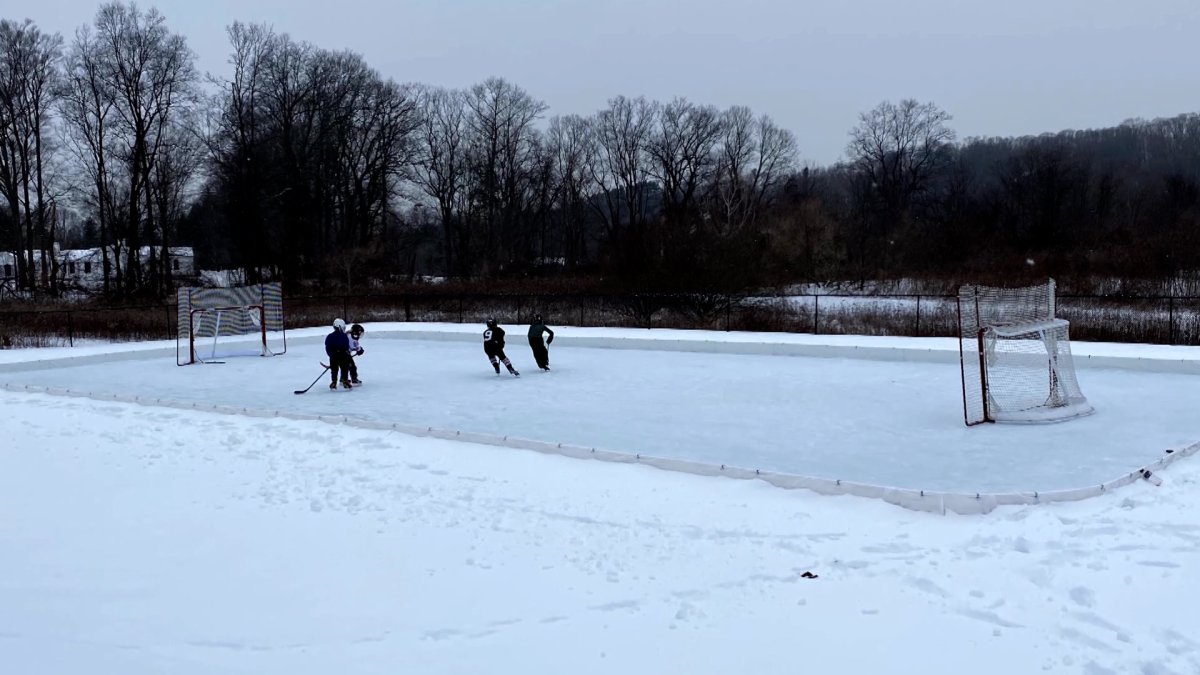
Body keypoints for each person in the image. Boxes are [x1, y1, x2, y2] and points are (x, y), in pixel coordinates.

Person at [324, 318, 353, 389]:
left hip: (333, 356)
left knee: (334, 369)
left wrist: (331, 355)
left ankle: (334, 382)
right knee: (344, 368)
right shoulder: (344, 336)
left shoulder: (329, 336)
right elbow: (346, 346)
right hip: (343, 356)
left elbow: (327, 347)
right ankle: (345, 380)